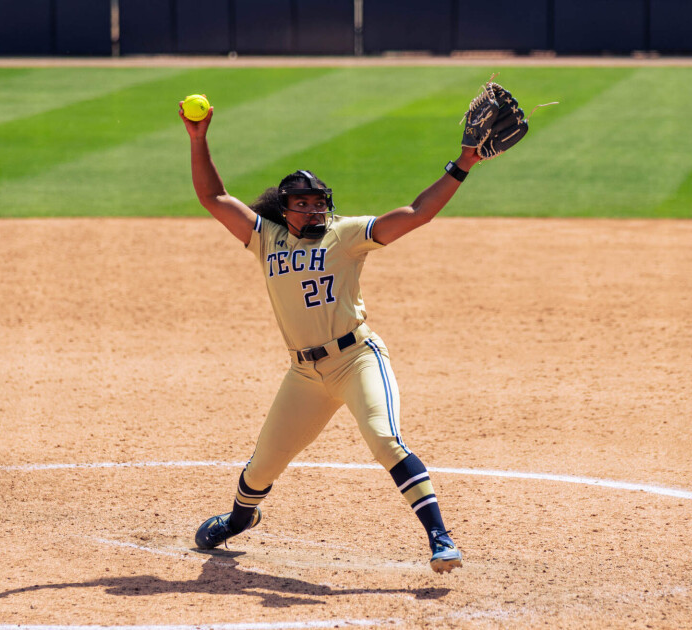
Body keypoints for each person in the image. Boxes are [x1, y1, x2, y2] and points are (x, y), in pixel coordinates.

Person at [179, 98, 481, 574]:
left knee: (385, 439)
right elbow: (213, 199)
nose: (315, 210)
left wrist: (462, 164)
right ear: (285, 209)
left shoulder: (347, 234)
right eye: (303, 204)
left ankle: (440, 538)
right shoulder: (266, 238)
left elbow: (417, 212)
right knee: (262, 467)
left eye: (320, 202)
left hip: (357, 359)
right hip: (304, 374)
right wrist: (199, 139)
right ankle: (239, 519)